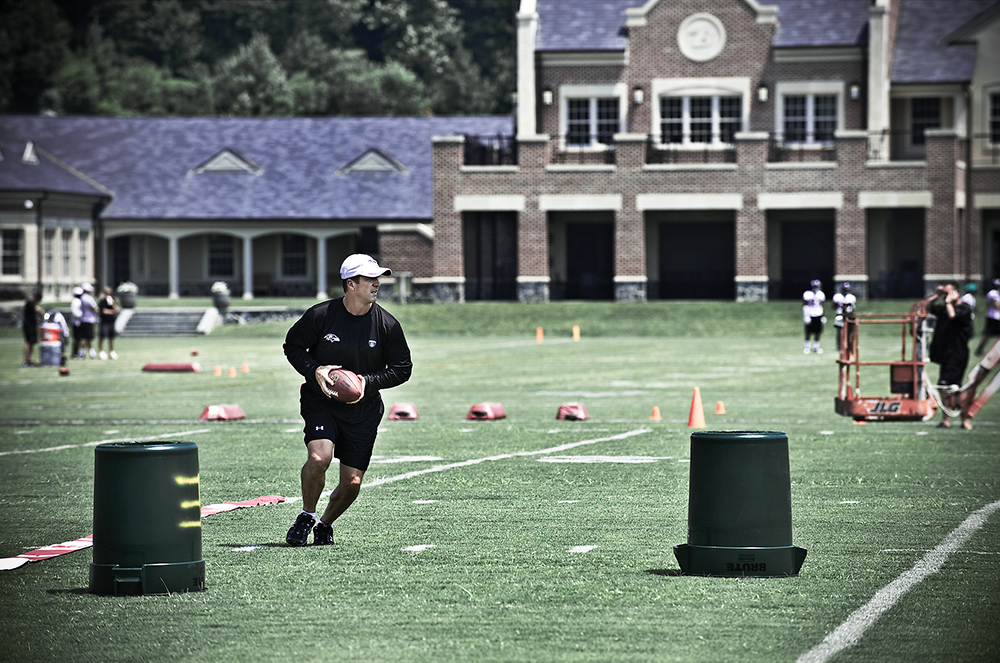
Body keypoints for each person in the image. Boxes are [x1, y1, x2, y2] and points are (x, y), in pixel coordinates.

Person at [282, 254, 412, 546]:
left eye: (378, 278)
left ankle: (325, 523)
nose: (377, 284)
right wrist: (315, 370)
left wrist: (367, 382)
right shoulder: (320, 316)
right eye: (369, 279)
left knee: (352, 483)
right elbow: (293, 347)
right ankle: (307, 515)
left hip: (363, 411)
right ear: (351, 284)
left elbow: (403, 368)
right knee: (319, 458)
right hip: (321, 402)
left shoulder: (387, 325)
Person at [928, 281, 974, 429]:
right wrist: (936, 296)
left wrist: (948, 302)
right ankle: (949, 420)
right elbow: (928, 308)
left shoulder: (964, 308)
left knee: (953, 388)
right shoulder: (944, 308)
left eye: (948, 293)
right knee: (946, 387)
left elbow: (953, 315)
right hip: (946, 354)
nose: (945, 296)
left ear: (956, 293)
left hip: (958, 354)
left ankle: (963, 418)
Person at [974, 278, 1000, 357]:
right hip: (993, 317)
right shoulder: (993, 293)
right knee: (988, 334)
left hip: (996, 317)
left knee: (988, 335)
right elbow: (997, 305)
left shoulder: (996, 293)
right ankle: (979, 349)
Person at [802, 279, 826, 354]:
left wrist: (823, 315)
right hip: (810, 314)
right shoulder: (807, 294)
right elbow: (805, 305)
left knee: (818, 332)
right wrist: (806, 315)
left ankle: (816, 347)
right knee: (808, 332)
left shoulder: (821, 294)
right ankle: (807, 347)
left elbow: (821, 305)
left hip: (818, 314)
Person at [832, 281, 857, 352]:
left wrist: (849, 312)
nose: (845, 291)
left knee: (850, 332)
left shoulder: (851, 297)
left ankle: (849, 346)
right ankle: (839, 346)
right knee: (840, 332)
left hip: (848, 315)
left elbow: (853, 308)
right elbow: (833, 306)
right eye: (844, 289)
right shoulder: (837, 296)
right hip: (840, 315)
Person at [97, 286, 119, 360]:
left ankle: (111, 351)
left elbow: (116, 309)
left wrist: (113, 303)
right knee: (102, 336)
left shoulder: (112, 300)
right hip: (104, 321)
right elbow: (104, 311)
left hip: (111, 321)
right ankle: (101, 351)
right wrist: (112, 311)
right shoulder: (102, 301)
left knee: (111, 337)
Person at [21, 292, 43, 366]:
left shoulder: (31, 303)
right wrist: (40, 310)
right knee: (29, 342)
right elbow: (36, 309)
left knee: (31, 342)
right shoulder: (30, 303)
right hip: (29, 325)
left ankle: (29, 359)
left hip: (31, 325)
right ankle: (26, 360)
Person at [78, 283, 98, 359]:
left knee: (86, 338)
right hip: (89, 320)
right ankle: (82, 352)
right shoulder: (89, 298)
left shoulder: (81, 298)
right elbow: (94, 308)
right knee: (86, 338)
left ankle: (91, 352)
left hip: (83, 319)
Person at [70, 287, 83, 359]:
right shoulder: (76, 301)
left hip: (78, 322)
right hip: (77, 323)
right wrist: (82, 315)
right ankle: (75, 353)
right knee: (77, 339)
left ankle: (77, 353)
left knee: (79, 339)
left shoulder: (77, 301)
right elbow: (75, 313)